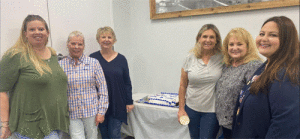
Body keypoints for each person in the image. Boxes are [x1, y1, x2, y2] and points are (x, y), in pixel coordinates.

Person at [0, 15, 69, 139]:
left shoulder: (52, 54)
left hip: (55, 122)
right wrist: (5, 124)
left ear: (47, 33)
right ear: (25, 33)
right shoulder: (15, 55)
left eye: (41, 29)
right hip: (30, 126)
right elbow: (1, 90)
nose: (37, 32)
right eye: (32, 29)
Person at [232, 16, 300, 138]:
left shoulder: (285, 75)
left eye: (273, 35)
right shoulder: (266, 66)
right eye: (262, 33)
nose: (264, 39)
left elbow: (284, 126)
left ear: (287, 40)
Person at [58, 31, 109, 139]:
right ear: (68, 45)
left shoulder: (93, 63)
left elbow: (103, 89)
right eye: (73, 44)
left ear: (84, 46)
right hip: (72, 113)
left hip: (91, 112)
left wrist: (101, 112)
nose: (76, 47)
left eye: (80, 44)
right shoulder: (60, 65)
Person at [215, 28, 263, 139]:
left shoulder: (253, 66)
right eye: (231, 44)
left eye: (239, 44)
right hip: (225, 123)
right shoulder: (227, 65)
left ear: (247, 46)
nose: (234, 48)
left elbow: (255, 100)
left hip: (241, 126)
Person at [177, 24, 223, 139]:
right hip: (191, 108)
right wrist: (181, 109)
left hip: (212, 111)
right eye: (204, 36)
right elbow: (183, 85)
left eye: (212, 37)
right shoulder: (190, 57)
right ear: (199, 38)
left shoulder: (222, 58)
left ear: (216, 40)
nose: (208, 40)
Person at [90, 26, 134, 139]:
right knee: (104, 135)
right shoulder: (92, 58)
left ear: (114, 40)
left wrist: (129, 101)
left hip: (118, 103)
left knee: (115, 135)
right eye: (103, 37)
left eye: (109, 37)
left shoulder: (122, 59)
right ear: (98, 40)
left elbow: (127, 82)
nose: (106, 39)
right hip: (99, 105)